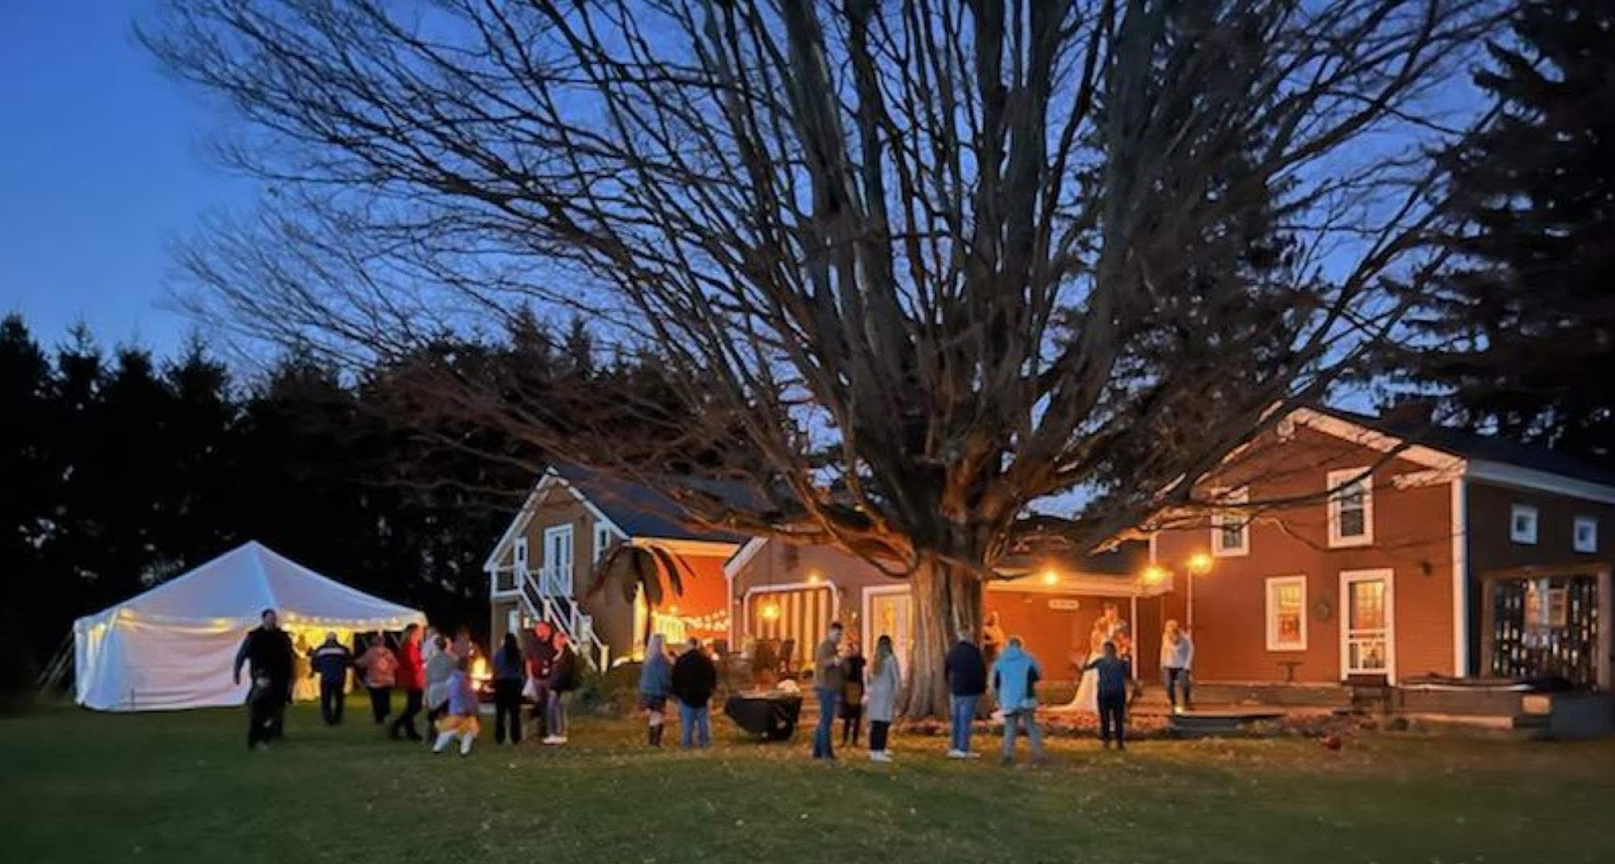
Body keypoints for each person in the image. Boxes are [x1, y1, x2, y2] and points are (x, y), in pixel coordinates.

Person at [232, 609, 295, 749]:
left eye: (274, 618)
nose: (272, 621)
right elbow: (242, 654)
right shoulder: (254, 636)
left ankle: (276, 731)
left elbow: (290, 657)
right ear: (263, 619)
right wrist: (237, 671)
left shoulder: (282, 636)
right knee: (259, 703)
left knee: (278, 705)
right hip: (262, 674)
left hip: (281, 675)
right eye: (270, 618)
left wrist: (292, 676)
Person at [991, 635, 1045, 765]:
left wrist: (997, 697)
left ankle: (1008, 754)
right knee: (1031, 726)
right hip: (1027, 697)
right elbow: (1037, 676)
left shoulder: (1000, 661)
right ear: (1021, 645)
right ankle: (1038, 754)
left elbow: (996, 682)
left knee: (1010, 727)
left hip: (1008, 698)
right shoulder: (1029, 659)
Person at [943, 628, 987, 758]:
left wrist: (949, 684)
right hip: (970, 690)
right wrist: (982, 688)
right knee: (965, 720)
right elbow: (981, 671)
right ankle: (963, 748)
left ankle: (955, 746)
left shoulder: (953, 652)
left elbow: (946, 669)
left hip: (956, 689)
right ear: (970, 637)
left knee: (956, 719)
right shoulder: (975, 652)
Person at [670, 637, 718, 748]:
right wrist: (710, 690)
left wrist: (677, 693)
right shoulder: (705, 660)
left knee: (687, 722)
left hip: (686, 695)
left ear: (688, 645)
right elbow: (712, 676)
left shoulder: (682, 660)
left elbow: (676, 678)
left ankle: (686, 742)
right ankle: (704, 742)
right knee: (703, 720)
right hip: (702, 694)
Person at [1084, 640, 1131, 749]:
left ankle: (1107, 741)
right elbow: (1126, 674)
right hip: (1117, 692)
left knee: (1105, 718)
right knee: (1118, 718)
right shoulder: (1120, 663)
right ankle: (1119, 742)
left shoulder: (1100, 662)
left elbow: (1085, 668)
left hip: (1105, 692)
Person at [432, 656, 481, 756]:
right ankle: (464, 750)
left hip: (454, 708)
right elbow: (467, 696)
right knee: (468, 729)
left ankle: (438, 747)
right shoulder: (462, 680)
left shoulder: (453, 677)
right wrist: (471, 708)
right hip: (462, 709)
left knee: (453, 728)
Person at [811, 621, 845, 760]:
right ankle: (826, 752)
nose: (839, 637)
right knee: (826, 720)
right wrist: (834, 661)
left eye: (840, 635)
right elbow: (822, 662)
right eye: (837, 634)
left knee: (824, 719)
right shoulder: (825, 647)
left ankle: (818, 751)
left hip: (829, 686)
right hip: (826, 686)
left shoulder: (833, 647)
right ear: (830, 632)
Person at [865, 635, 901, 763]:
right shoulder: (891, 659)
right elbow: (896, 677)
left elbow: (868, 677)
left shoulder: (874, 659)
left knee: (876, 723)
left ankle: (874, 749)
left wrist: (868, 691)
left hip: (875, 695)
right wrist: (898, 692)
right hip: (886, 694)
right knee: (883, 723)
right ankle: (878, 749)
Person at [390, 623, 425, 741]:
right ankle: (397, 725)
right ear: (413, 633)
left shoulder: (411, 646)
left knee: (412, 706)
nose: (421, 634)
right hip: (412, 679)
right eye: (419, 632)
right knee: (415, 706)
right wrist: (422, 664)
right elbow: (411, 662)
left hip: (413, 678)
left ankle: (410, 730)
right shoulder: (409, 646)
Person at [309, 631, 352, 725]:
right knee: (339, 699)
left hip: (326, 678)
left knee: (326, 700)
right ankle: (337, 718)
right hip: (339, 677)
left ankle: (328, 719)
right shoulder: (343, 649)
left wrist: (320, 670)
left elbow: (314, 663)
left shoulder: (320, 649)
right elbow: (349, 662)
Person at [638, 633, 673, 747]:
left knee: (653, 716)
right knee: (658, 716)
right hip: (658, 692)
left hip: (647, 691)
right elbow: (664, 677)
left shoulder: (648, 659)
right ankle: (655, 741)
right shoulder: (661, 660)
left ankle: (652, 740)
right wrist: (670, 689)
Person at [543, 631, 578, 745]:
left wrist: (556, 686)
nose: (555, 642)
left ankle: (560, 734)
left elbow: (565, 673)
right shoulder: (558, 654)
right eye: (554, 640)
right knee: (553, 709)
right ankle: (554, 733)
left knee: (559, 710)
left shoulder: (568, 655)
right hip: (556, 686)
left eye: (557, 640)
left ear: (564, 640)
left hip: (562, 688)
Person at [525, 621, 558, 739]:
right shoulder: (533, 643)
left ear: (547, 630)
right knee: (540, 705)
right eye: (536, 629)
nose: (538, 631)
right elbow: (529, 660)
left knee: (551, 705)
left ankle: (553, 731)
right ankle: (542, 731)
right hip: (537, 678)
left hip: (550, 679)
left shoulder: (553, 643)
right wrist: (530, 676)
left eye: (540, 629)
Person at [356, 632, 397, 724]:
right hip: (387, 680)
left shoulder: (370, 652)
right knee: (385, 699)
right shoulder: (388, 652)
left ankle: (379, 718)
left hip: (374, 681)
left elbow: (361, 663)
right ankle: (386, 715)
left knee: (376, 700)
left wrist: (354, 660)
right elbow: (395, 665)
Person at [493, 633, 526, 745]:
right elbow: (522, 668)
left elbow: (495, 668)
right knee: (515, 713)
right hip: (515, 684)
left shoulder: (499, 654)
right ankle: (515, 737)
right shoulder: (519, 653)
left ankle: (499, 737)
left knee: (500, 713)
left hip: (502, 684)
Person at [422, 634, 455, 745]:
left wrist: (425, 695)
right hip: (446, 687)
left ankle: (427, 737)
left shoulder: (432, 660)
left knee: (432, 713)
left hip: (434, 688)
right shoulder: (450, 659)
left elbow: (427, 677)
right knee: (444, 714)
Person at [1160, 619, 1195, 713]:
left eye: (1170, 632)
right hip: (1168, 664)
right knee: (1168, 685)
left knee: (1185, 684)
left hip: (1181, 665)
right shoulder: (1165, 637)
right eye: (1167, 631)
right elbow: (1163, 649)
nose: (1168, 634)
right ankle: (1173, 703)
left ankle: (1187, 701)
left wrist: (1187, 665)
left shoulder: (1185, 638)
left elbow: (1190, 650)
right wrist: (1162, 662)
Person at [839, 642, 866, 747]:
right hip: (850, 687)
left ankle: (852, 739)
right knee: (849, 716)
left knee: (854, 715)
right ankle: (847, 739)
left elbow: (863, 661)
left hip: (855, 687)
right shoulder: (848, 661)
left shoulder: (857, 661)